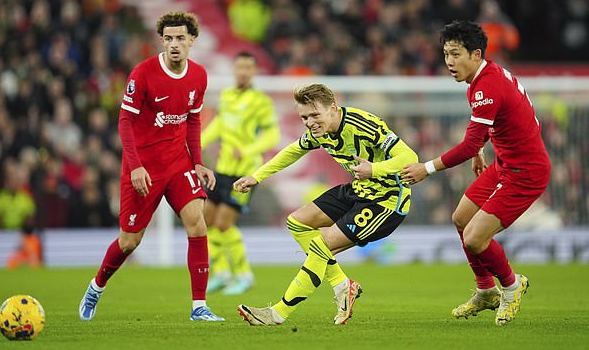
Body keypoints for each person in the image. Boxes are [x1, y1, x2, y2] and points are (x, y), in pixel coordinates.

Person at [400, 20, 550, 326]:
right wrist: (482, 149)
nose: (449, 62)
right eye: (446, 55)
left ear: (476, 53)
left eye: (456, 54)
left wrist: (426, 169)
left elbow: (467, 144)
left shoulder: (487, 87)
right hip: (504, 164)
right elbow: (489, 127)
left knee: (474, 238)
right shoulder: (483, 79)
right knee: (461, 218)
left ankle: (511, 286)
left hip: (526, 172)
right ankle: (485, 291)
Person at [79, 11, 224, 322]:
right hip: (143, 166)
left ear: (191, 40)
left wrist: (198, 163)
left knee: (197, 222)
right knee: (130, 241)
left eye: (180, 38)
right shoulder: (142, 74)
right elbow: (125, 121)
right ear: (162, 40)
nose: (174, 44)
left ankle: (199, 306)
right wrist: (134, 166)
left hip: (178, 162)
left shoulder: (199, 75)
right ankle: (97, 286)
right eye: (168, 38)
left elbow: (194, 120)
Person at [234, 83, 418, 325]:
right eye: (304, 117)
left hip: (385, 202)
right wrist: (257, 176)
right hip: (358, 191)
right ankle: (343, 286)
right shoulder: (319, 132)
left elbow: (410, 157)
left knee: (321, 248)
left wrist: (373, 169)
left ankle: (277, 314)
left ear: (333, 108)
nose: (310, 122)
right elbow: (293, 151)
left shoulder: (363, 125)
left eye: (314, 115)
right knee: (297, 222)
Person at [201, 51, 280, 295]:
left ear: (254, 72)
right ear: (234, 70)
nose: (243, 71)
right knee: (207, 221)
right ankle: (223, 273)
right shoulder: (226, 96)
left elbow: (272, 135)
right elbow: (219, 125)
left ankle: (244, 275)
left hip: (245, 173)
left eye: (248, 67)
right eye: (239, 67)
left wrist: (247, 150)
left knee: (224, 223)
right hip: (221, 169)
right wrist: (197, 145)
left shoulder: (261, 101)